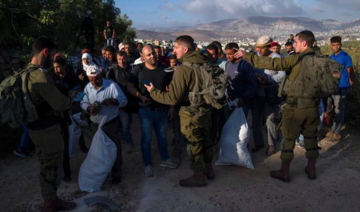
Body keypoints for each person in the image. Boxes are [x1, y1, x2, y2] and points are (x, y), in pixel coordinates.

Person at [234, 30, 327, 182]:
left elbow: (274, 63)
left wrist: (248, 56)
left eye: (296, 42)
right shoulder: (320, 58)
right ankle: (311, 169)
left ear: (304, 43)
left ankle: (284, 171)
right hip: (313, 106)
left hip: (296, 106)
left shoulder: (296, 59)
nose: (293, 45)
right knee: (311, 138)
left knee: (289, 138)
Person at [144, 35, 215, 187]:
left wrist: (153, 92)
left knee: (194, 143)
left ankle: (198, 176)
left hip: (191, 113)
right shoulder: (204, 62)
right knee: (206, 140)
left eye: (176, 47)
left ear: (185, 49)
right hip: (206, 109)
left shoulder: (184, 68)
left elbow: (173, 98)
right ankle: (209, 169)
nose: (174, 50)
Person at [26, 37, 77, 211]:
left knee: (45, 166)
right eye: (53, 53)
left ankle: (52, 199)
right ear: (46, 52)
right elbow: (60, 103)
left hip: (35, 128)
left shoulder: (26, 72)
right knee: (53, 168)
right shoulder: (41, 75)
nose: (54, 57)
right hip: (48, 131)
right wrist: (69, 97)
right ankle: (50, 204)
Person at [127, 45, 178, 177]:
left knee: (162, 137)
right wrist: (139, 96)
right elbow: (129, 86)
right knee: (146, 139)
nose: (152, 56)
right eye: (149, 54)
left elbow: (170, 89)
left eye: (153, 53)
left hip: (161, 110)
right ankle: (148, 165)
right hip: (145, 111)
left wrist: (172, 106)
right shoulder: (138, 69)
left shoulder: (163, 69)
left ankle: (165, 159)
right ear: (143, 56)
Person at [81, 64, 128, 185]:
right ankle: (102, 173)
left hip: (110, 123)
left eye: (96, 79)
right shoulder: (87, 87)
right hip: (95, 125)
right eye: (91, 80)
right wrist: (89, 108)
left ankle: (116, 173)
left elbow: (124, 101)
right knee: (98, 151)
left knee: (114, 149)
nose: (94, 81)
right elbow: (83, 102)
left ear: (101, 75)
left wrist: (112, 101)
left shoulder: (112, 86)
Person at [250, 36, 285, 154]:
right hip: (257, 93)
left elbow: (282, 75)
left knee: (270, 120)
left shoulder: (276, 58)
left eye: (261, 48)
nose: (258, 50)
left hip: (271, 93)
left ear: (268, 47)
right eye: (257, 48)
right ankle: (259, 143)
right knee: (256, 119)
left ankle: (271, 145)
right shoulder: (255, 58)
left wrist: (269, 79)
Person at [326, 36, 355, 141]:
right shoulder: (331, 57)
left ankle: (336, 131)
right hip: (333, 87)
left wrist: (351, 82)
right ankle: (333, 129)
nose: (335, 47)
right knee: (331, 109)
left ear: (341, 45)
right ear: (331, 45)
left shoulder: (345, 57)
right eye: (333, 45)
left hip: (342, 86)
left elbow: (350, 70)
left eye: (337, 44)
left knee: (339, 109)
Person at [107, 51, 134, 153]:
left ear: (126, 58)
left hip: (131, 100)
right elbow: (111, 83)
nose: (121, 61)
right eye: (119, 59)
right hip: (121, 101)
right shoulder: (113, 70)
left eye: (123, 59)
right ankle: (128, 142)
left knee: (130, 121)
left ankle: (123, 135)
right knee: (125, 122)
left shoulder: (131, 69)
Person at [224, 43, 257, 119]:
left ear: (236, 53)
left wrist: (243, 98)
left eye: (230, 54)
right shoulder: (227, 64)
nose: (227, 56)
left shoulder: (245, 65)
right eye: (226, 54)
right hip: (229, 102)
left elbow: (252, 85)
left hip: (241, 104)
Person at [206, 44, 227, 147]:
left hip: (220, 98)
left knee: (220, 121)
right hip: (209, 99)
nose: (211, 57)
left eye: (213, 54)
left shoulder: (223, 64)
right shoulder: (205, 65)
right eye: (209, 54)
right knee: (212, 123)